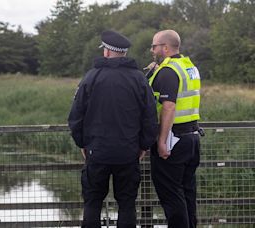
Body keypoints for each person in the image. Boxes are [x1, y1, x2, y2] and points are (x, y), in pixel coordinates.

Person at [68, 30, 158, 228]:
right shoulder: (139, 80)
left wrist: (82, 143)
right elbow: (150, 118)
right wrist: (143, 145)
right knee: (127, 204)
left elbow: (75, 116)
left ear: (107, 52)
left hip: (96, 150)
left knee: (92, 202)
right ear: (124, 53)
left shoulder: (91, 78)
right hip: (128, 152)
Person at [147, 30, 201, 228]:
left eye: (154, 46)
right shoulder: (188, 67)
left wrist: (161, 141)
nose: (152, 50)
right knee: (187, 193)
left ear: (165, 48)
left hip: (173, 140)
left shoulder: (168, 72)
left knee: (171, 195)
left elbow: (168, 106)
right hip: (192, 138)